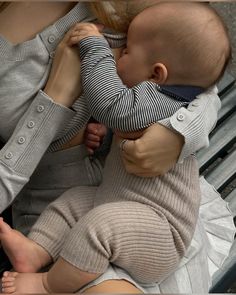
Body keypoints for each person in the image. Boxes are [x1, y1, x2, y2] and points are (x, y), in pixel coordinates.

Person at [0, 1, 235, 293]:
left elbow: (116, 106)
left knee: (98, 225)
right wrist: (104, 129)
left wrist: (95, 49)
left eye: (124, 52)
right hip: (112, 197)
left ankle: (49, 285)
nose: (118, 55)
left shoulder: (158, 97)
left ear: (156, 75)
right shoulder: (156, 90)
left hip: (159, 230)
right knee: (74, 203)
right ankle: (37, 249)